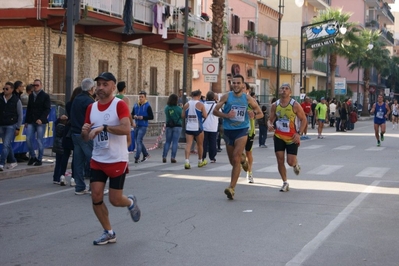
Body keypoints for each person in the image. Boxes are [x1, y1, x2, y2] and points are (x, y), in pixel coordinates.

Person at [81, 71, 141, 246]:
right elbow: (86, 137)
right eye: (98, 84)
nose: (100, 88)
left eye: (104, 84)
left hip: (117, 159)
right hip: (98, 159)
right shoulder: (91, 108)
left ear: (113, 86)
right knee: (96, 196)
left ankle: (130, 202)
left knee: (115, 200)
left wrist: (104, 128)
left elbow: (126, 129)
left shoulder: (119, 105)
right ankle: (108, 232)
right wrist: (85, 132)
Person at [213, 75, 262, 199]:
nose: (235, 85)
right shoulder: (226, 96)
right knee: (233, 161)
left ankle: (231, 188)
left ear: (242, 85)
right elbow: (215, 111)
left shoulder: (248, 98)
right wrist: (226, 115)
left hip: (242, 130)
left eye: (238, 83)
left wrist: (253, 115)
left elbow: (260, 113)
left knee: (235, 158)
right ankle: (243, 160)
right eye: (233, 83)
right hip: (228, 131)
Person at [267, 83, 307, 192]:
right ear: (279, 91)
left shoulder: (295, 105)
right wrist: (269, 124)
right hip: (279, 136)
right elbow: (270, 119)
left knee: (290, 162)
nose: (284, 90)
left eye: (286, 89)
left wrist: (299, 133)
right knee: (280, 160)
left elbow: (304, 119)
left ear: (290, 92)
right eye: (282, 88)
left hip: (292, 137)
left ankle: (295, 164)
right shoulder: (275, 105)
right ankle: (285, 182)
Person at [70, 78, 95, 194]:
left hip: (74, 132)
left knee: (78, 161)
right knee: (92, 159)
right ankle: (94, 187)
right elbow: (93, 119)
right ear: (91, 89)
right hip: (85, 133)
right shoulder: (89, 101)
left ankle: (79, 187)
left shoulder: (76, 99)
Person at [53, 87, 82, 186]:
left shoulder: (69, 104)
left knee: (65, 155)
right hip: (76, 129)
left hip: (67, 130)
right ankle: (73, 178)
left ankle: (62, 175)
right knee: (76, 156)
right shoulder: (80, 104)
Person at [25, 79, 51, 166]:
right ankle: (33, 156)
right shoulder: (31, 96)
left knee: (40, 140)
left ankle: (39, 158)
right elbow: (29, 108)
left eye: (37, 85)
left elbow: (47, 109)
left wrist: (41, 119)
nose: (35, 87)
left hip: (40, 121)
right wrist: (26, 121)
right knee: (28, 138)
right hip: (31, 120)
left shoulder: (45, 96)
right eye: (34, 85)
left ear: (41, 85)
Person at [0, 82, 23, 171]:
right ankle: (13, 160)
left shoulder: (16, 100)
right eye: (4, 89)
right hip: (1, 124)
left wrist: (18, 127)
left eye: (7, 89)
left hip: (11, 125)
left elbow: (20, 115)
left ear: (12, 90)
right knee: (7, 144)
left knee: (6, 144)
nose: (5, 90)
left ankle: (1, 163)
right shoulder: (1, 98)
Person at [182, 89, 208, 169]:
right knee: (200, 145)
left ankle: (187, 161)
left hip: (189, 126)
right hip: (198, 126)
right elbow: (205, 115)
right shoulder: (200, 104)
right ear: (199, 96)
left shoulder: (186, 104)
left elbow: (183, 116)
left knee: (188, 144)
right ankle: (200, 161)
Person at [243, 82, 262, 183]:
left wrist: (253, 115)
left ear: (247, 90)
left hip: (249, 130)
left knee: (248, 153)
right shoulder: (233, 100)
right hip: (237, 130)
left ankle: (249, 173)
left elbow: (260, 114)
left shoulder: (251, 101)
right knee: (236, 153)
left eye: (243, 88)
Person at [132, 91, 154, 163]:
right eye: (140, 97)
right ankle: (145, 154)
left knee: (138, 140)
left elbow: (151, 116)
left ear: (145, 98)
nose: (140, 98)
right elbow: (131, 114)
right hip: (136, 125)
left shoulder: (147, 106)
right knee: (138, 141)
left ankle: (137, 157)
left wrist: (143, 117)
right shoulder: (136, 105)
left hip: (143, 126)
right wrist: (133, 116)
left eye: (142, 97)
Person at [162, 93, 182, 163]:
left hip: (169, 125)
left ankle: (164, 156)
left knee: (167, 141)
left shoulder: (166, 107)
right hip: (177, 125)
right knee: (175, 142)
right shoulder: (179, 108)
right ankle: (173, 157)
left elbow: (166, 113)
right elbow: (182, 115)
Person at [202, 91, 218, 163]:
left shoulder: (203, 105)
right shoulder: (216, 105)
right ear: (214, 97)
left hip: (204, 126)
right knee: (212, 142)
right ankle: (212, 157)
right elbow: (219, 114)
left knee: (204, 142)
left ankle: (203, 157)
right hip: (213, 126)